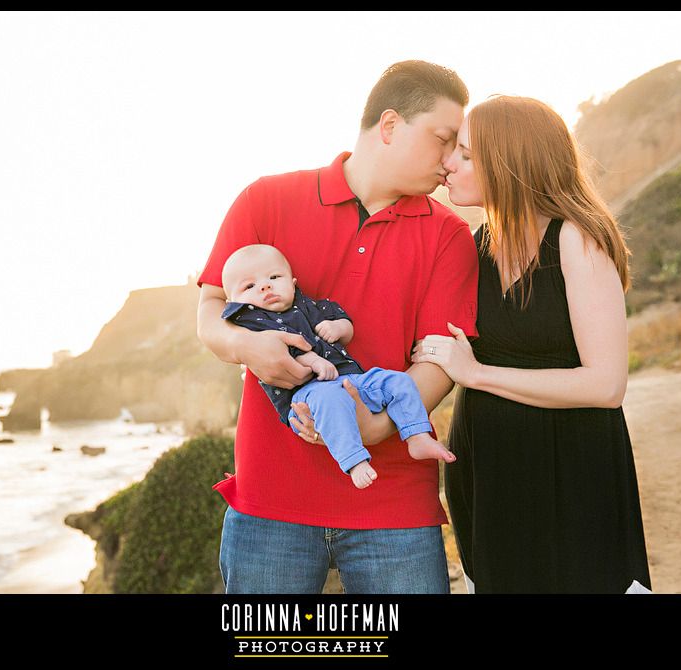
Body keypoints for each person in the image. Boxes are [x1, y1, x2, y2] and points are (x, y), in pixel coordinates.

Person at [196, 60, 478, 594]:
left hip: (394, 503)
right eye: (442, 140)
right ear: (390, 126)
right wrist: (244, 346)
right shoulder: (266, 200)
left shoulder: (450, 236)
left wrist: (372, 428)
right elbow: (211, 309)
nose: (450, 161)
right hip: (271, 500)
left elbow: (439, 360)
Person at [411, 95, 653, 594]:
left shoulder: (575, 241)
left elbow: (607, 384)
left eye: (467, 153)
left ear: (510, 161)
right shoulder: (475, 246)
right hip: (491, 478)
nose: (449, 163)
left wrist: (476, 374)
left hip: (569, 477)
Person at [220, 244, 456, 489]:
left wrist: (338, 327)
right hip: (306, 395)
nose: (265, 286)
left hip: (351, 378)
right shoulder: (252, 322)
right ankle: (354, 460)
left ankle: (416, 434)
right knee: (333, 401)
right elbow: (278, 357)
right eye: (249, 286)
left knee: (398, 381)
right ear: (233, 302)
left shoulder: (308, 306)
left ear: (293, 282)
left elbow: (345, 325)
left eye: (274, 277)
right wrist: (312, 360)